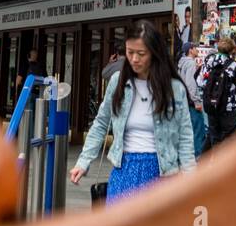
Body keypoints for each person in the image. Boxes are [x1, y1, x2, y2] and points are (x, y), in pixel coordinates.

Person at [70, 21, 195, 202]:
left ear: (154, 53)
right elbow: (100, 124)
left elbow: (185, 136)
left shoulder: (173, 88)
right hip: (124, 171)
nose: (134, 59)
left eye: (141, 54)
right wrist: (83, 162)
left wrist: (190, 176)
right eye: (130, 52)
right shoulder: (118, 81)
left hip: (163, 173)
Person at [197, 36, 236, 149]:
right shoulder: (233, 65)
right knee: (231, 142)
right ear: (231, 50)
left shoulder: (208, 60)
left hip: (211, 107)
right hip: (227, 109)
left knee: (215, 139)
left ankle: (217, 164)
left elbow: (200, 81)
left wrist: (211, 92)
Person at [177, 41, 207, 155]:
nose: (197, 50)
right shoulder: (190, 63)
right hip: (191, 102)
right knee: (198, 131)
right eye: (195, 48)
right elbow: (191, 84)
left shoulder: (182, 63)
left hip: (184, 101)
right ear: (190, 50)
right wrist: (196, 101)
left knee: (190, 131)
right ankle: (198, 159)